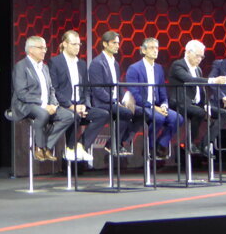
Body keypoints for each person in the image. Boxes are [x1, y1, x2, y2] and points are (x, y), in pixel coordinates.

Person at [11, 36, 75, 161]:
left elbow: (51, 89)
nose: (44, 51)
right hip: (27, 105)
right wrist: (43, 105)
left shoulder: (44, 67)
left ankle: (47, 146)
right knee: (43, 114)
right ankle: (39, 147)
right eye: (41, 48)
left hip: (47, 104)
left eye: (45, 48)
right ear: (31, 50)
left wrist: (54, 104)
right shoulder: (21, 66)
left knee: (69, 116)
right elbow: (21, 93)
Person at [48, 30, 109, 162]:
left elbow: (86, 88)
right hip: (64, 105)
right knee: (73, 115)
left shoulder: (81, 64)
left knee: (102, 114)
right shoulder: (55, 62)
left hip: (80, 105)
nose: (77, 47)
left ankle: (81, 146)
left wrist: (85, 105)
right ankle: (70, 148)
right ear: (65, 44)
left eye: (79, 44)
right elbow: (54, 89)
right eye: (74, 44)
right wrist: (70, 106)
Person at [125, 38, 183, 160]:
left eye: (156, 48)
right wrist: (153, 107)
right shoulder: (134, 68)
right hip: (141, 105)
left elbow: (162, 91)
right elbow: (135, 94)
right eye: (152, 48)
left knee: (177, 118)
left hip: (157, 106)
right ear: (143, 50)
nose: (155, 50)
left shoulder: (159, 68)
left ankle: (161, 144)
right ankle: (149, 147)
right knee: (159, 118)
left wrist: (164, 105)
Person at [168, 40, 226, 156]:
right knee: (200, 112)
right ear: (188, 52)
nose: (200, 59)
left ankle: (205, 144)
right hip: (180, 103)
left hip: (197, 104)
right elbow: (189, 80)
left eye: (202, 56)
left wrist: (206, 104)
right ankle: (189, 142)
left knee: (224, 114)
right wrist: (213, 80)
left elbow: (202, 90)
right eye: (197, 56)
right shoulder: (178, 65)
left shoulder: (198, 69)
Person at [87, 30, 137, 156]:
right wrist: (114, 102)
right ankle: (113, 144)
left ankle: (118, 142)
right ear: (105, 44)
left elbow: (118, 85)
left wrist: (123, 100)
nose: (117, 46)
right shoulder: (97, 63)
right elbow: (98, 90)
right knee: (125, 113)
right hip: (101, 103)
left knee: (139, 112)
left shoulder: (115, 63)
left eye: (118, 43)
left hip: (115, 103)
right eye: (114, 43)